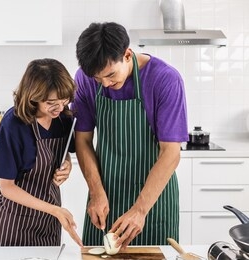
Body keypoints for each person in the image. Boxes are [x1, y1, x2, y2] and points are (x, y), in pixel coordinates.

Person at [72, 22, 188, 248]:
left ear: (127, 55)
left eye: (110, 75)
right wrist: (96, 192)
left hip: (154, 203)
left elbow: (171, 153)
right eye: (98, 79)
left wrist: (140, 210)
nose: (105, 83)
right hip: (105, 197)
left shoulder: (165, 80)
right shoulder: (85, 79)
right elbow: (83, 140)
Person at [0, 58, 83, 247]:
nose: (60, 107)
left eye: (64, 101)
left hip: (49, 223)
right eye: (51, 102)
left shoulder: (63, 118)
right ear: (33, 96)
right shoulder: (13, 124)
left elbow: (65, 152)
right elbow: (7, 187)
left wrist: (67, 165)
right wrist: (55, 210)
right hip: (15, 223)